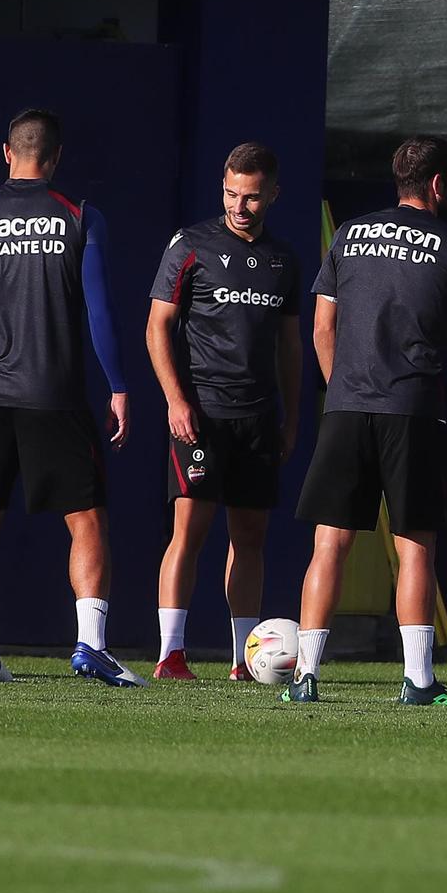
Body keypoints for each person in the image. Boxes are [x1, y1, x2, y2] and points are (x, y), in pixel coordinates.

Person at [0, 109, 142, 687]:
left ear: (7, 153)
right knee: (87, 521)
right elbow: (99, 310)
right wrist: (119, 385)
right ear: (54, 159)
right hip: (56, 394)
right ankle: (90, 646)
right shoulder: (80, 216)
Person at [280, 136, 447, 705]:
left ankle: (305, 679)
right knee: (416, 547)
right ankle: (418, 682)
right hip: (413, 411)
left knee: (329, 544)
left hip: (346, 408)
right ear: (438, 184)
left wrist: (342, 388)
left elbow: (322, 329)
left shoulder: (349, 235)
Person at [146, 142, 302, 680]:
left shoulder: (283, 260)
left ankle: (243, 660)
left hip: (258, 417)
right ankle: (171, 654)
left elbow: (290, 346)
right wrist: (175, 401)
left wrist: (293, 417)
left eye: (252, 197)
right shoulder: (191, 245)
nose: (240, 206)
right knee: (189, 530)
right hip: (200, 414)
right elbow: (157, 327)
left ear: (273, 195)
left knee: (251, 537)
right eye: (232, 193)